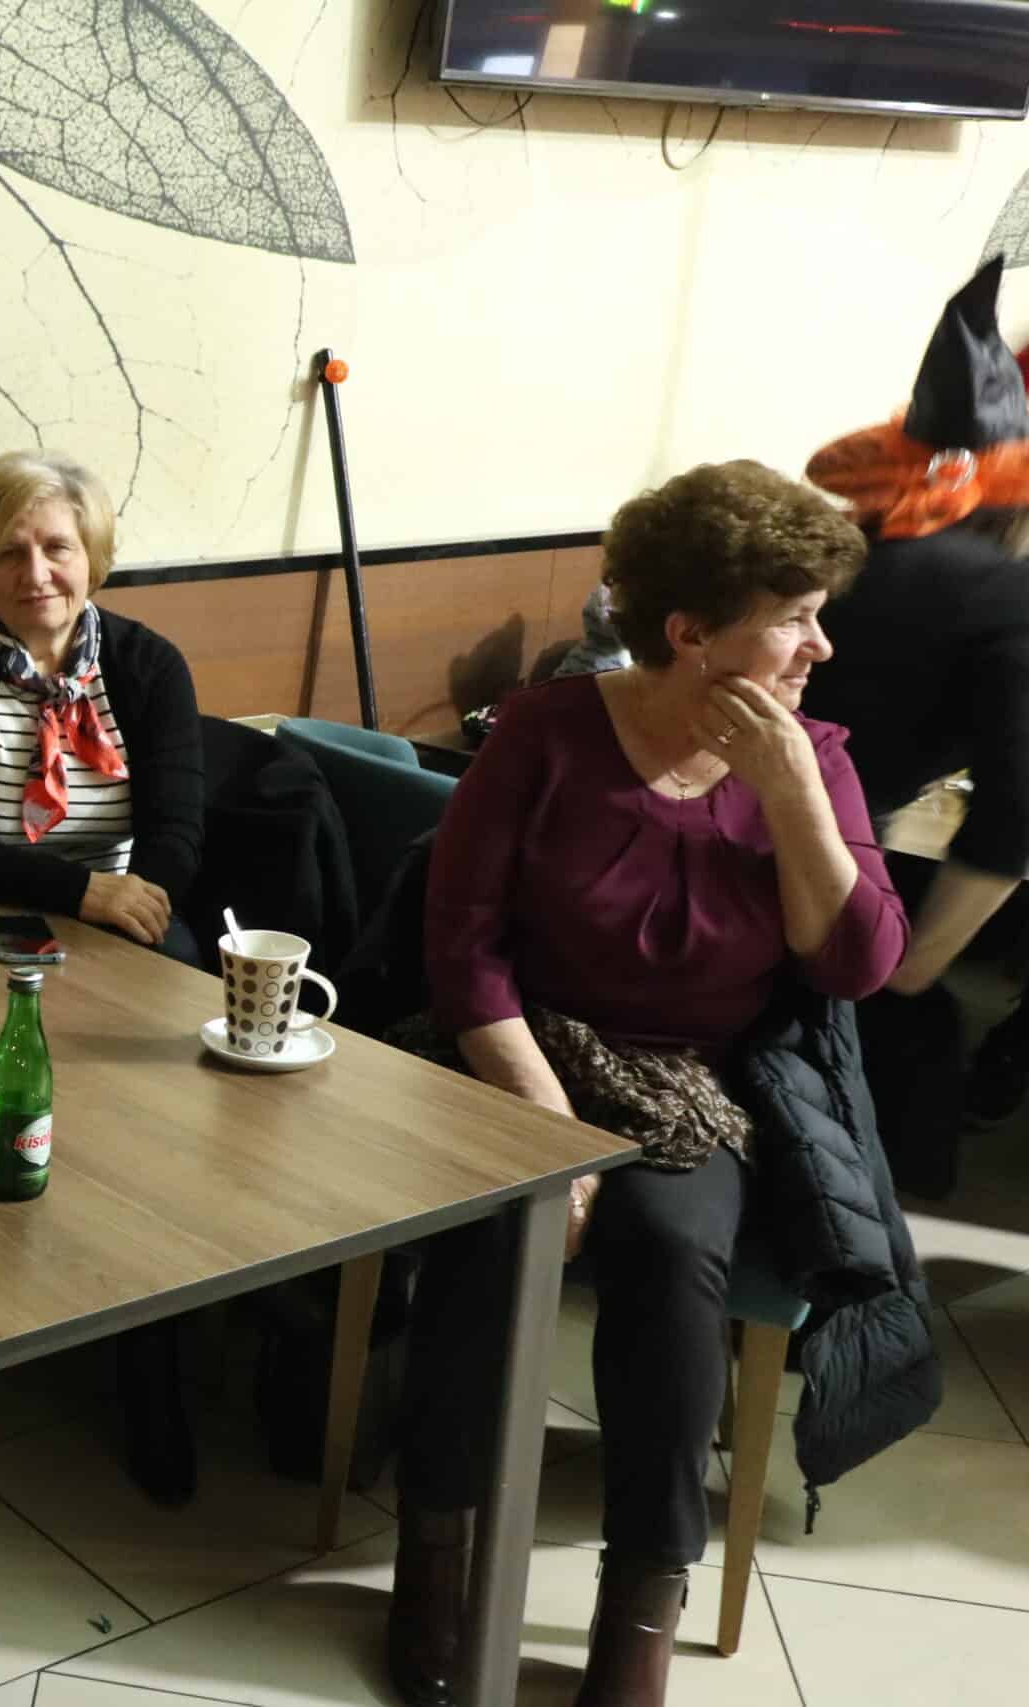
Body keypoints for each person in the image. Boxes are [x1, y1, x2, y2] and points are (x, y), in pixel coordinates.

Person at [384, 462, 906, 1707]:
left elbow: (856, 963)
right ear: (688, 631)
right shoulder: (545, 734)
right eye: (794, 618)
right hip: (519, 1057)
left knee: (676, 1253)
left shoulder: (814, 759)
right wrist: (547, 1131)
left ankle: (641, 1604)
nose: (820, 646)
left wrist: (790, 793)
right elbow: (463, 952)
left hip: (693, 1087)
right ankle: (435, 1556)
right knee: (495, 1233)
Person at [802, 258, 1029, 1161]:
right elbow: (1015, 815)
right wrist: (909, 970)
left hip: (681, 863)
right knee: (907, 1046)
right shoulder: (1004, 598)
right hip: (817, 893)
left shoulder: (832, 548)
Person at [0, 451, 207, 963]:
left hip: (118, 917)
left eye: (57, 548)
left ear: (90, 556)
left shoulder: (153, 666)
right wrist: (80, 891)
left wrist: (122, 910)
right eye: (9, 553)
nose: (36, 575)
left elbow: (176, 837)